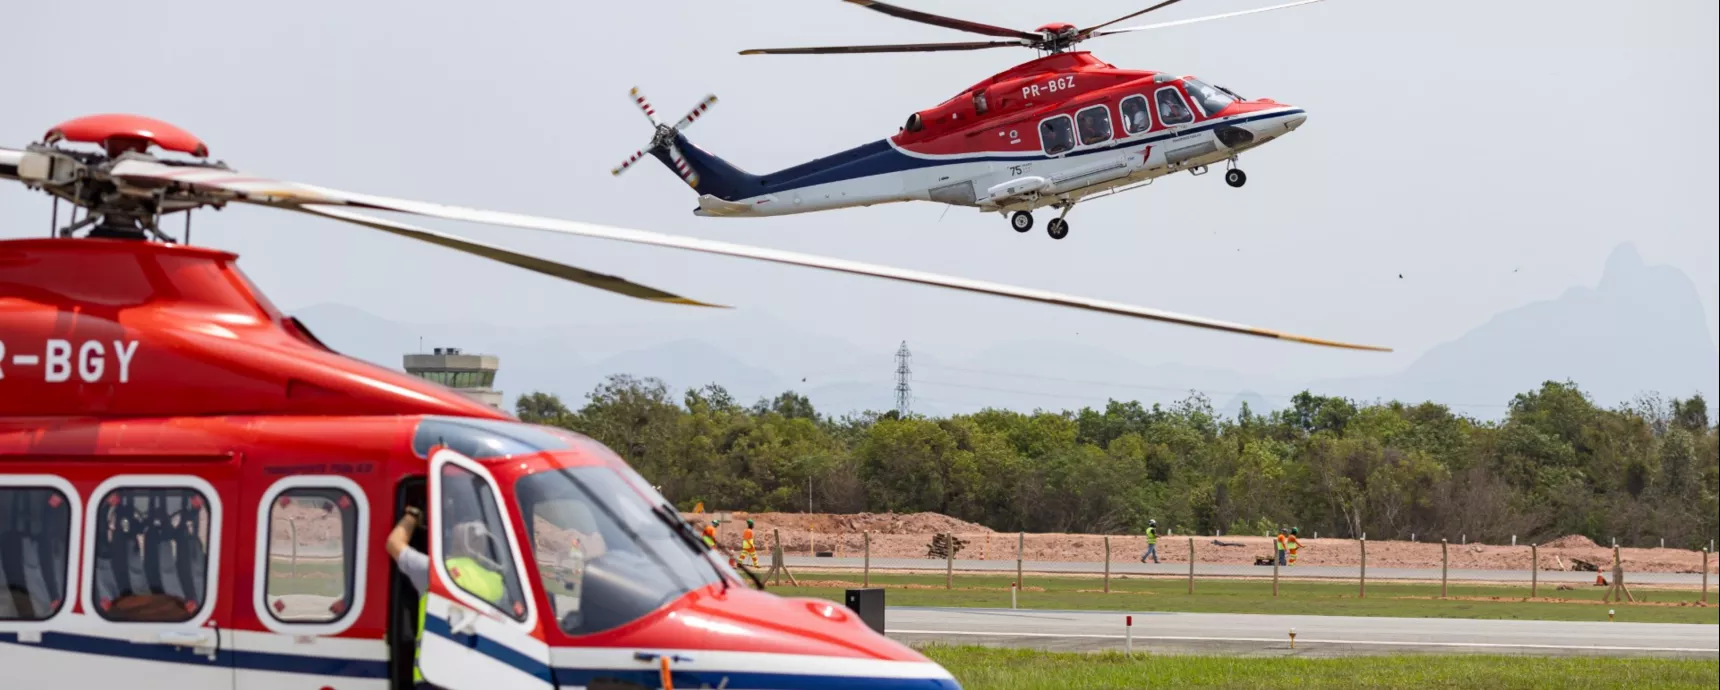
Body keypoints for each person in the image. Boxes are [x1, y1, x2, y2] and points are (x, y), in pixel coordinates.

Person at [386, 506, 509, 689]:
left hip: (432, 675)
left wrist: (412, 515)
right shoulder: (498, 583)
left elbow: (394, 544)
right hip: (475, 678)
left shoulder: (435, 572)